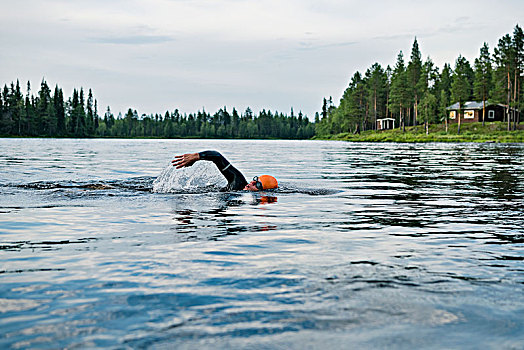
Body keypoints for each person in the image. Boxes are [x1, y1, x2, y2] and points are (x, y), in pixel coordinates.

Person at [172, 150, 278, 192]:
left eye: (258, 185)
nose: (252, 183)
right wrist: (196, 156)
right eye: (255, 179)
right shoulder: (238, 182)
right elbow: (217, 157)